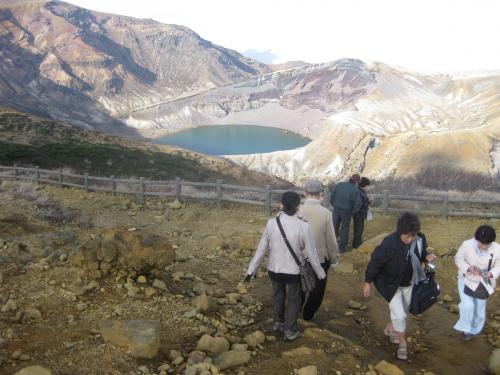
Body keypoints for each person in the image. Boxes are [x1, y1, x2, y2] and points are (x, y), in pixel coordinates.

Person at [245, 191, 326, 341]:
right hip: (293, 271)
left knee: (278, 295)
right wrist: (320, 273)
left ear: (281, 204)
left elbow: (262, 249)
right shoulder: (303, 226)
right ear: (298, 206)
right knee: (294, 299)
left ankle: (278, 323)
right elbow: (312, 253)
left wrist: (251, 270)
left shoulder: (271, 223)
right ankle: (290, 330)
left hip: (274, 269)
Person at [363, 212, 436, 360]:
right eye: (407, 236)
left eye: (413, 236)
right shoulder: (389, 243)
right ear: (399, 232)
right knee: (400, 314)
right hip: (390, 284)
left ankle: (390, 328)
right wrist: (367, 281)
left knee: (408, 308)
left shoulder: (420, 238)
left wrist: (427, 258)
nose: (410, 239)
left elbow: (421, 255)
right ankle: (403, 344)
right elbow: (375, 262)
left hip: (410, 282)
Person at [298, 179, 339, 321]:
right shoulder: (326, 213)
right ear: (320, 194)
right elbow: (331, 240)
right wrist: (334, 258)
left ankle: (296, 311)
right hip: (320, 258)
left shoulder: (297, 211)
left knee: (299, 287)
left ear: (305, 193)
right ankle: (308, 315)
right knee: (318, 290)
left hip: (298, 258)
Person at [453, 225, 500, 340]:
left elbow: (499, 265)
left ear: (492, 242)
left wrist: (490, 274)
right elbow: (458, 258)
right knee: (467, 305)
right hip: (466, 279)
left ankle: (474, 329)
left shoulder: (497, 248)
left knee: (479, 308)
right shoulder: (467, 244)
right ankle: (466, 330)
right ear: (476, 239)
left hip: (484, 282)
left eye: (487, 244)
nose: (483, 246)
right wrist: (468, 268)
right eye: (481, 243)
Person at [329, 174, 362, 252]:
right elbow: (358, 204)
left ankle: (331, 245)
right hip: (346, 212)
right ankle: (342, 248)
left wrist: (334, 205)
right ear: (356, 182)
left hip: (336, 209)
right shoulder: (355, 190)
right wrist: (352, 211)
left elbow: (332, 196)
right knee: (344, 230)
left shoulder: (340, 184)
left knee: (334, 227)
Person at [352, 177, 374, 249]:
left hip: (360, 214)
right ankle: (356, 246)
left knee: (359, 230)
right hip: (358, 214)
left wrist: (367, 200)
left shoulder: (361, 191)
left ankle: (358, 244)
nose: (368, 187)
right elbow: (361, 205)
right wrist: (369, 201)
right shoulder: (359, 192)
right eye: (368, 186)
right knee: (358, 231)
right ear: (365, 185)